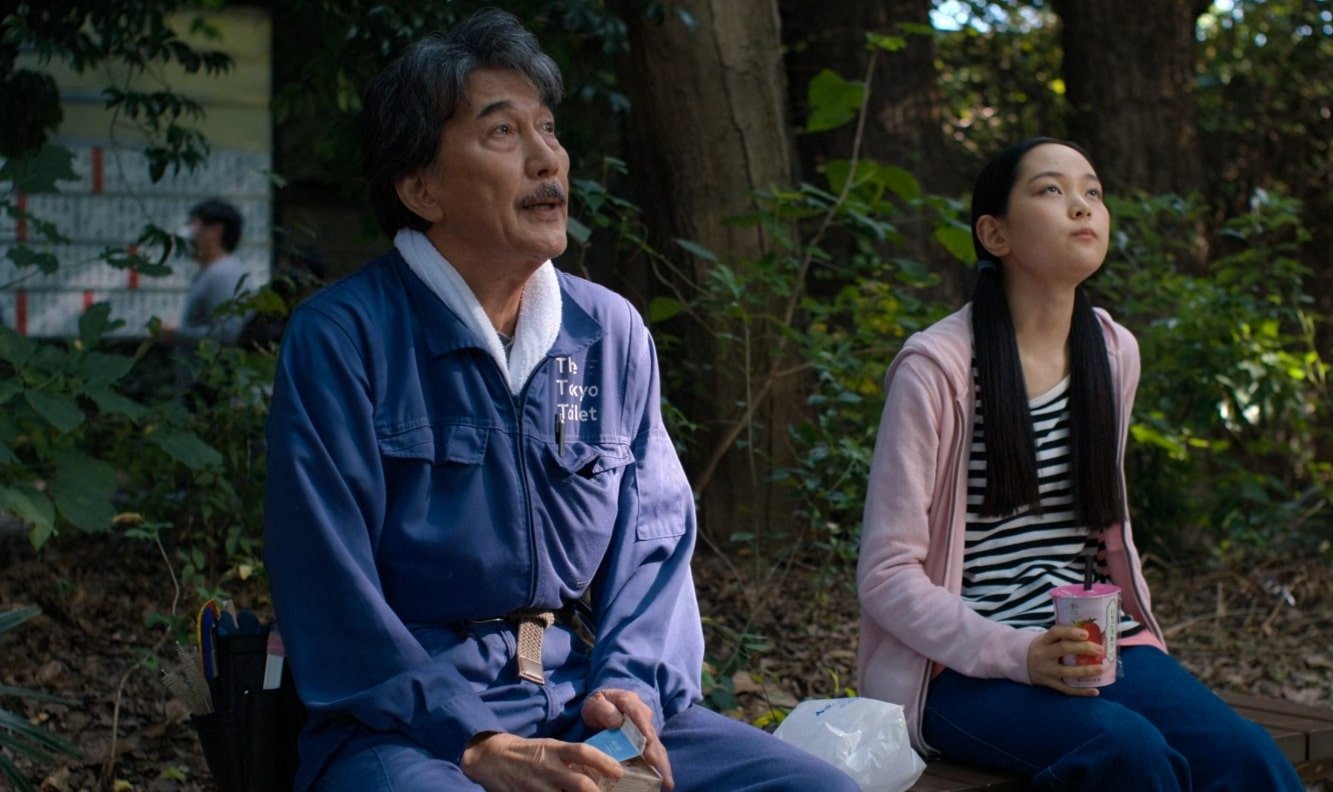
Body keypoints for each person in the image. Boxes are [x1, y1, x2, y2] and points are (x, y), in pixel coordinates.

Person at [262, 9, 861, 792]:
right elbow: (327, 585)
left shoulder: (608, 331)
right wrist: (474, 738)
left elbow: (654, 541)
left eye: (547, 128)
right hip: (403, 726)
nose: (548, 157)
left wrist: (628, 688)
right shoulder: (345, 338)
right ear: (421, 188)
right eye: (502, 132)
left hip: (582, 700)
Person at [855, 137, 1303, 790]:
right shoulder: (937, 370)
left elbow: (1103, 530)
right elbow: (886, 574)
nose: (1082, 206)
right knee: (1128, 754)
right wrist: (1020, 653)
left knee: (1246, 757)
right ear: (996, 234)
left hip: (1094, 646)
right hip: (958, 669)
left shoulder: (1113, 353)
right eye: (1051, 190)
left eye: (1092, 191)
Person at [166, 197, 252, 344]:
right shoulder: (212, 272)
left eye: (193, 225)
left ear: (215, 231)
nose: (186, 234)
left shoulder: (223, 274)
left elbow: (228, 334)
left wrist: (177, 334)